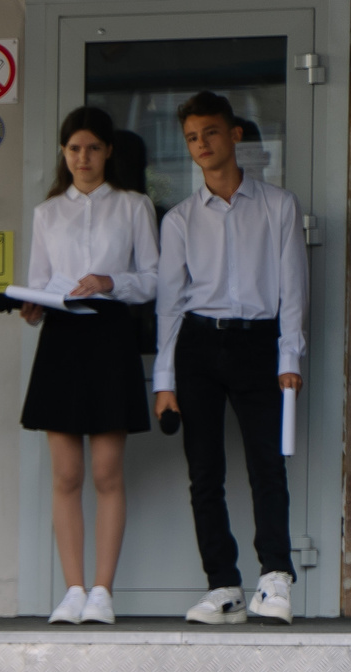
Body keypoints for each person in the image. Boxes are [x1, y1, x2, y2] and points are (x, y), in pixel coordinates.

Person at [156, 91, 308, 626]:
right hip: (199, 345)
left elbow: (293, 289)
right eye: (193, 138)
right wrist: (164, 379)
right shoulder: (178, 220)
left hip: (258, 343)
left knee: (268, 465)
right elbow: (170, 305)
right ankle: (223, 585)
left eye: (211, 133)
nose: (202, 145)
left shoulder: (277, 205)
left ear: (235, 135)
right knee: (205, 472)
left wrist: (289, 355)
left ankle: (275, 577)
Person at [15, 108, 158, 626]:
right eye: (74, 149)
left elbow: (155, 280)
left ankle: (102, 591)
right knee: (66, 474)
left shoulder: (135, 206)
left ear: (109, 151)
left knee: (105, 472)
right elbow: (39, 281)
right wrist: (31, 310)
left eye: (92, 148)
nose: (83, 158)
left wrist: (109, 282)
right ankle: (72, 590)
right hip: (61, 339)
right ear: (63, 153)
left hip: (110, 335)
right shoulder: (47, 212)